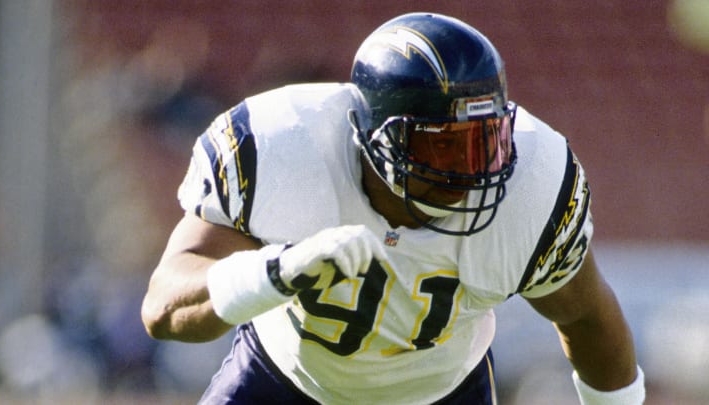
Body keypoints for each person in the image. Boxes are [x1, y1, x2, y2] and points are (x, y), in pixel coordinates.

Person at [141, 12, 645, 405]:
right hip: (285, 382)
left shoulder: (534, 182)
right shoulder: (281, 148)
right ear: (375, 137)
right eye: (444, 147)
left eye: (485, 144)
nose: (471, 173)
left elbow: (586, 318)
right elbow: (164, 309)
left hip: (441, 394)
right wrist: (274, 271)